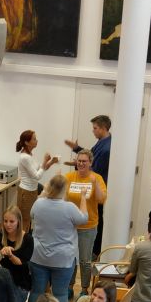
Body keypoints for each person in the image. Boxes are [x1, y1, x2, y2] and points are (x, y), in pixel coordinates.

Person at [30, 175, 88, 302]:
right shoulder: (69, 208)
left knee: (36, 291)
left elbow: (32, 215)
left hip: (39, 256)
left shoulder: (38, 204)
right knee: (60, 294)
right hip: (63, 259)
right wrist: (83, 197)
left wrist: (44, 192)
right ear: (64, 189)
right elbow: (84, 219)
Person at [65, 115, 112, 255]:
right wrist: (77, 149)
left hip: (93, 194)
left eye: (95, 128)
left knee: (85, 255)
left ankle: (94, 253)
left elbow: (94, 168)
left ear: (103, 128)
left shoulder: (106, 148)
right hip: (75, 219)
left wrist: (78, 165)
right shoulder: (101, 142)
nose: (93, 131)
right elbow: (90, 156)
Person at [63, 149, 107, 288]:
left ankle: (84, 288)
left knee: (84, 260)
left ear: (90, 163)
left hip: (88, 226)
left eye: (84, 161)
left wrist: (95, 184)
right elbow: (62, 198)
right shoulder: (69, 177)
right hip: (70, 225)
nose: (81, 163)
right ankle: (70, 286)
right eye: (79, 161)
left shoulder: (97, 178)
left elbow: (101, 200)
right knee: (71, 258)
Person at [0, 206, 34, 302]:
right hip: (2, 282)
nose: (8, 224)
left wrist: (10, 255)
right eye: (5, 221)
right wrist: (1, 253)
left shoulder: (28, 239)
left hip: (20, 283)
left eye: (11, 221)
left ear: (19, 221)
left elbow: (22, 264)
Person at [14, 130, 57, 231]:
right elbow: (37, 176)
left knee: (28, 218)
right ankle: (22, 239)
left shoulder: (29, 155)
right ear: (27, 142)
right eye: (34, 139)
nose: (37, 141)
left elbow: (40, 168)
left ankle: (26, 237)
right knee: (25, 220)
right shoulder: (25, 158)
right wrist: (45, 161)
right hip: (26, 192)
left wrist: (51, 162)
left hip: (32, 190)